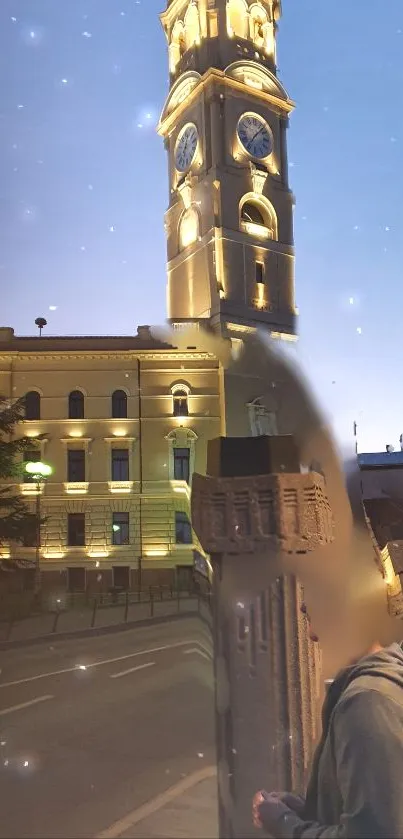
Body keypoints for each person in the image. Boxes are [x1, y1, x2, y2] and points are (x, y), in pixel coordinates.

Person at [252, 604, 403, 838]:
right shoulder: (385, 680)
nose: (312, 634)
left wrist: (284, 823)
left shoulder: (366, 703)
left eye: (316, 617)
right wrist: (305, 809)